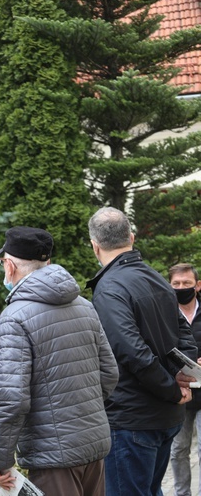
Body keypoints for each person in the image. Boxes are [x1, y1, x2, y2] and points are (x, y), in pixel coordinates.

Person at [0, 226, 119, 496]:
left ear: (9, 265)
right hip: (92, 445)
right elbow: (109, 373)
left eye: (3, 263)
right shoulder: (84, 305)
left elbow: (11, 399)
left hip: (52, 457)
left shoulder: (13, 318)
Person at [85, 207, 196, 495]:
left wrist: (173, 388)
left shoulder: (109, 288)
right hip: (162, 415)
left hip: (132, 420)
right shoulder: (157, 277)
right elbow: (184, 333)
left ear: (94, 246)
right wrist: (181, 377)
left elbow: (131, 351)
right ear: (131, 238)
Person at [168, 263, 201, 496]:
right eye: (176, 284)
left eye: (186, 283)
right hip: (179, 391)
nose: (181, 288)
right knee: (178, 449)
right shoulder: (164, 314)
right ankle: (182, 494)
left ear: (197, 286)